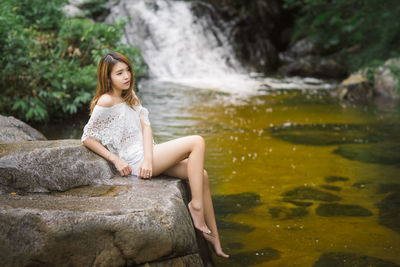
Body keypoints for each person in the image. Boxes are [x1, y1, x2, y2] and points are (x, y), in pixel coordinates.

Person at [81, 51, 229, 258]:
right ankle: (195, 206)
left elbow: (147, 126)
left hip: (149, 154)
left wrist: (150, 158)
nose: (126, 76)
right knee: (197, 141)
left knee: (201, 175)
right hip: (136, 161)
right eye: (119, 73)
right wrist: (115, 159)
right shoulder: (105, 101)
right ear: (107, 78)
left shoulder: (129, 96)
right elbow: (87, 137)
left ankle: (214, 238)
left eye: (128, 71)